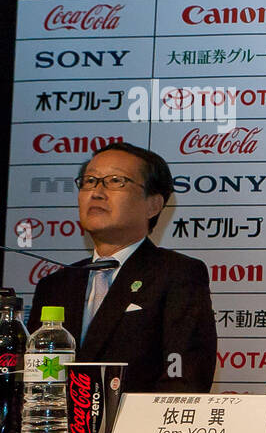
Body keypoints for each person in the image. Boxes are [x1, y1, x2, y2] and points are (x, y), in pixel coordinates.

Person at [29, 142, 216, 393]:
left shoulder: (177, 274)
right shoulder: (55, 285)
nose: (96, 192)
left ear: (153, 205)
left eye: (115, 181)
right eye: (89, 181)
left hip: (136, 429)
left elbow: (184, 379)